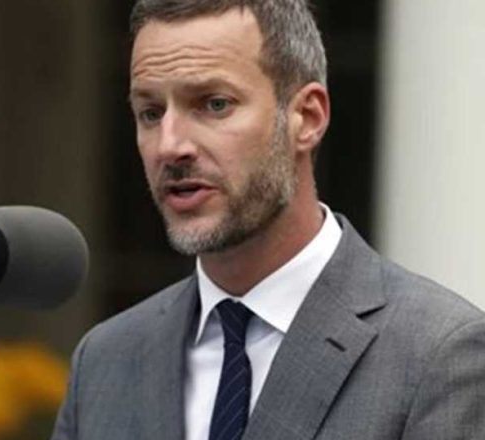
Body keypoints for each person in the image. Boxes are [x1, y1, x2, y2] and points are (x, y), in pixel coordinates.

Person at [50, 0, 485, 439]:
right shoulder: (104, 360)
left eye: (214, 104)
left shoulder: (438, 355)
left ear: (307, 118)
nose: (170, 146)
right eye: (151, 112)